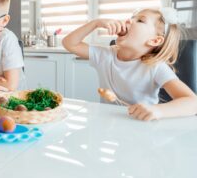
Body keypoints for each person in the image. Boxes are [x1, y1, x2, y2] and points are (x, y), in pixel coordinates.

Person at [62, 7, 197, 121]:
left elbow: (192, 102)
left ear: (155, 40)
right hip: (108, 121)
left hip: (140, 125)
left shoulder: (155, 66)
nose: (128, 21)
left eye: (140, 20)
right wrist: (96, 23)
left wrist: (158, 111)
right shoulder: (105, 55)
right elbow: (69, 43)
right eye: (131, 17)